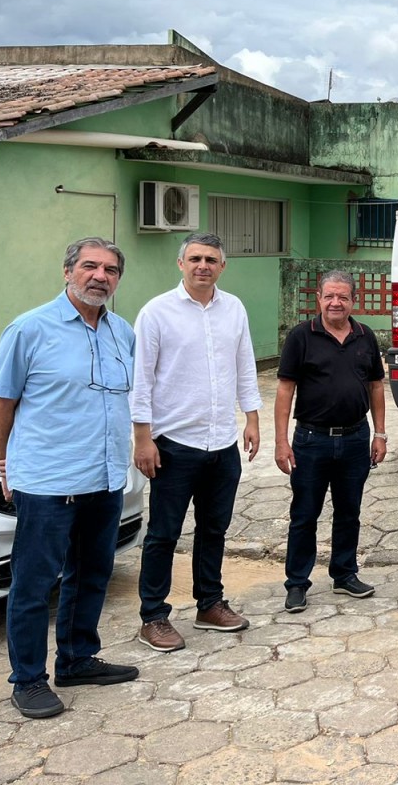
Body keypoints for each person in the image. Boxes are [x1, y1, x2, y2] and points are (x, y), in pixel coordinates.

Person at [0, 237, 140, 719]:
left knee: (92, 574)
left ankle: (76, 659)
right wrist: (5, 465)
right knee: (34, 585)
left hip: (105, 477)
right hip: (49, 482)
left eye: (111, 270)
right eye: (90, 266)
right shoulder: (29, 329)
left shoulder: (123, 332)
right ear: (67, 271)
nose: (100, 276)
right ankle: (28, 679)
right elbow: (0, 403)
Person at [132, 232, 262, 652]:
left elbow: (245, 365)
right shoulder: (156, 313)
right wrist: (143, 439)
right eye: (195, 258)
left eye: (211, 259)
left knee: (214, 528)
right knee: (164, 534)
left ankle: (209, 604)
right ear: (180, 263)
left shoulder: (234, 309)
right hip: (173, 444)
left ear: (222, 266)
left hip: (222, 442)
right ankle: (153, 615)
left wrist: (252, 419)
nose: (202, 265)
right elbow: (141, 381)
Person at [275, 270, 387, 612]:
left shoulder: (365, 336)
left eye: (342, 297)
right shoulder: (301, 336)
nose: (335, 303)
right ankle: (297, 583)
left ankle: (344, 574)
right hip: (311, 441)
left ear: (353, 301)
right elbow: (284, 390)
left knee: (349, 512)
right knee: (305, 514)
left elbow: (376, 386)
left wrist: (379, 433)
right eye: (329, 296)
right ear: (319, 299)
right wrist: (281, 442)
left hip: (355, 439)